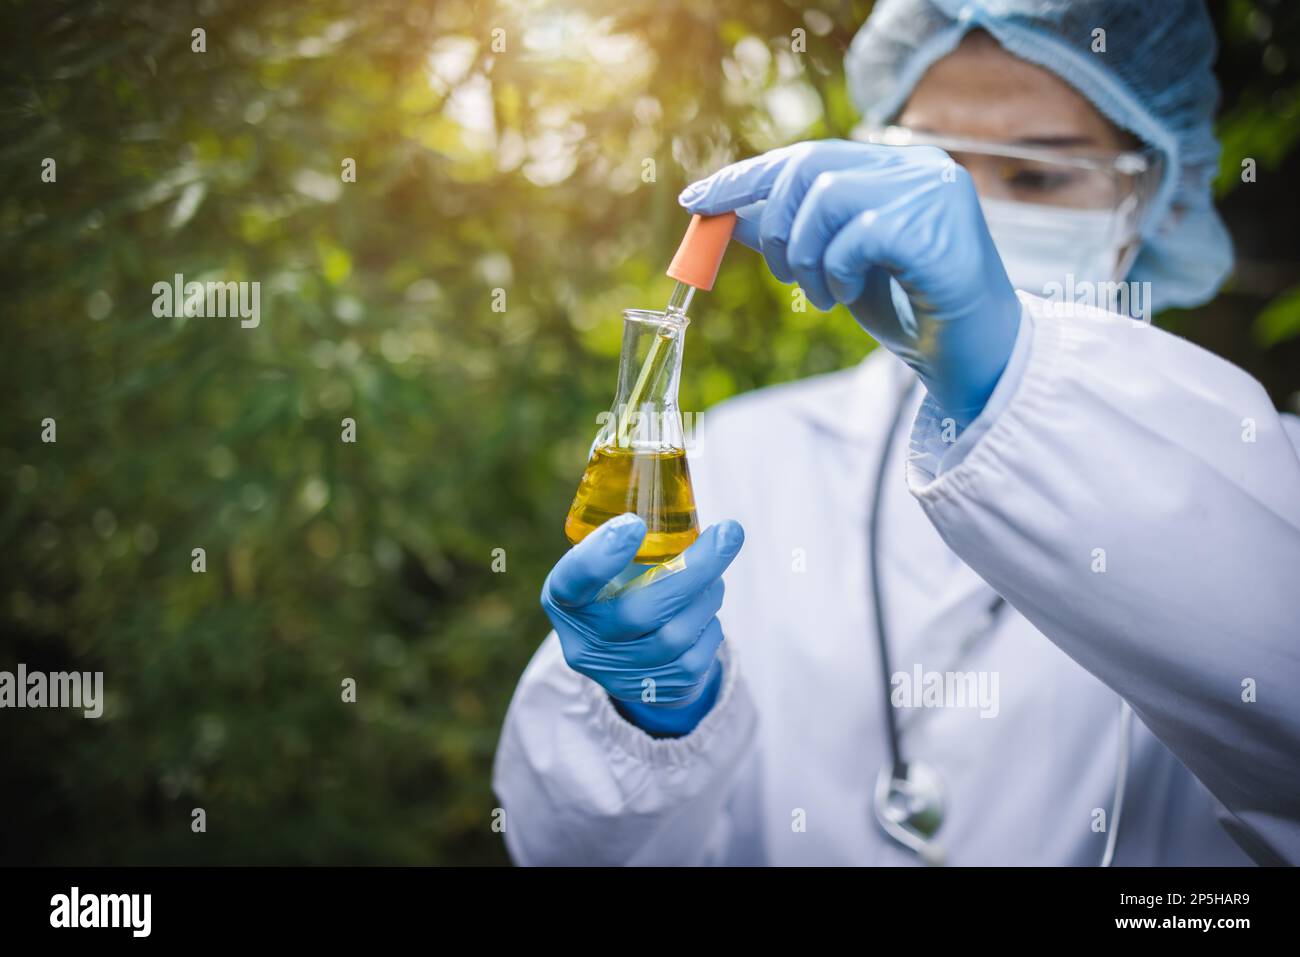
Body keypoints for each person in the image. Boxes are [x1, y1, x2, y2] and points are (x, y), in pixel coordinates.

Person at [492, 0, 1300, 865]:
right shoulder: (747, 454)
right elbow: (567, 854)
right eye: (928, 170)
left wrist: (1015, 379)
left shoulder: (1267, 478)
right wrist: (648, 718)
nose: (970, 219)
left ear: (1153, 201)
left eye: (1039, 178)